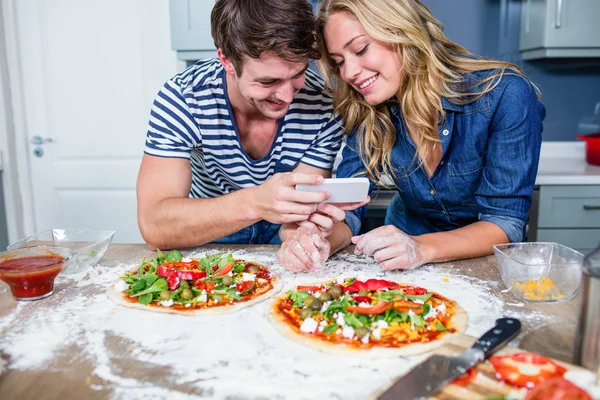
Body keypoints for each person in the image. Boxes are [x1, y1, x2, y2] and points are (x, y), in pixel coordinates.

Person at [277, 0, 545, 272]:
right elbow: (348, 210)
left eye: (360, 49)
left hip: (478, 254)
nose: (348, 73)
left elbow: (504, 223)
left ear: (403, 32)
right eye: (339, 62)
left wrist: (419, 248)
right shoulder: (368, 108)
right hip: (407, 246)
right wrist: (320, 241)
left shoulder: (505, 95)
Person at [137, 0, 366, 249]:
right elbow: (154, 225)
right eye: (268, 81)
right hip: (208, 236)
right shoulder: (184, 98)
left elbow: (302, 214)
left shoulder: (323, 104)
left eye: (297, 74)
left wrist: (305, 238)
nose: (288, 96)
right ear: (227, 61)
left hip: (280, 240)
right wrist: (255, 203)